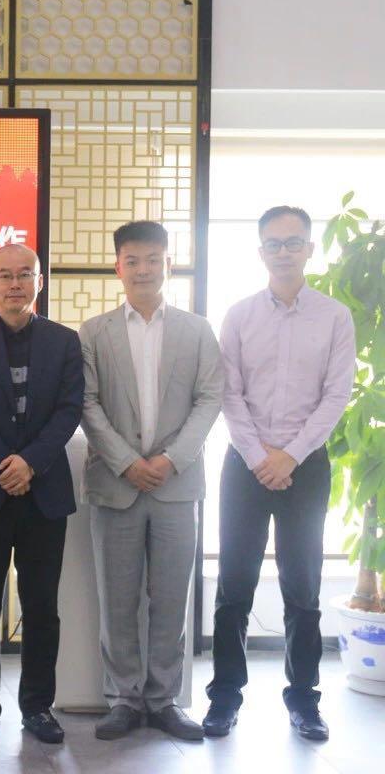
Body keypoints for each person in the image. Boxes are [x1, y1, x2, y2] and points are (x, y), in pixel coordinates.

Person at [204, 206, 355, 742]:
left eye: (293, 242)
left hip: (305, 467)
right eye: (274, 243)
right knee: (234, 586)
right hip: (245, 466)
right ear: (260, 252)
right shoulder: (239, 316)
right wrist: (258, 456)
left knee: (303, 586)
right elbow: (228, 393)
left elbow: (337, 395)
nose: (284, 252)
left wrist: (289, 455)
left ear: (310, 248)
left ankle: (304, 700)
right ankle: (224, 697)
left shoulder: (335, 317)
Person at [78, 221, 223, 741]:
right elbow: (87, 403)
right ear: (118, 267)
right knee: (117, 600)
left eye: (153, 259)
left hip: (175, 486)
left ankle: (163, 700)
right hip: (116, 484)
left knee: (171, 599)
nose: (143, 269)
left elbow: (210, 398)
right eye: (133, 260)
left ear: (168, 264)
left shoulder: (197, 330)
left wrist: (171, 459)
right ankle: (123, 698)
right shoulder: (93, 332)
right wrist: (126, 462)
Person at [0, 243, 83, 745]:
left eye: (24, 274)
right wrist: (5, 464)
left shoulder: (65, 341)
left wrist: (31, 463)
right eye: (4, 275)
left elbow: (69, 409)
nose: (14, 284)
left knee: (42, 607)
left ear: (39, 282)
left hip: (44, 492)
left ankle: (38, 708)